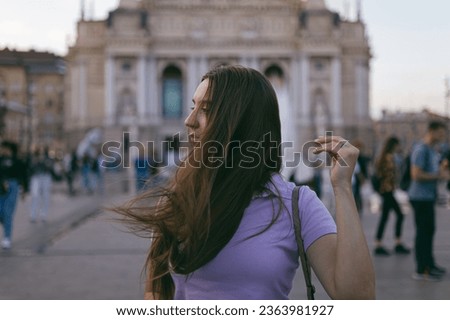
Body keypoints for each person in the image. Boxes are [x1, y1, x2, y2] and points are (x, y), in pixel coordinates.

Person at [114, 65, 375, 299]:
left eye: (206, 110)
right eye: (192, 107)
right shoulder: (176, 200)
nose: (189, 120)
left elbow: (356, 298)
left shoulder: (298, 204)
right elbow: (156, 293)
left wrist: (342, 187)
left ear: (244, 122)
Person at [408, 121, 449, 281]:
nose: (443, 136)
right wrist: (438, 175)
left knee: (429, 231)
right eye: (440, 132)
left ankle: (429, 264)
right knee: (423, 233)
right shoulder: (421, 149)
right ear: (432, 131)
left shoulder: (432, 150)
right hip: (419, 197)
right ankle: (421, 268)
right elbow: (416, 174)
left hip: (428, 196)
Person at [373, 136, 410, 256]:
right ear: (394, 145)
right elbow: (389, 174)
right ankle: (394, 243)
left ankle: (381, 243)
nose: (399, 147)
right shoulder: (388, 158)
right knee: (398, 215)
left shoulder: (383, 157)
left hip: (385, 191)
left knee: (386, 217)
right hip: (387, 191)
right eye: (398, 145)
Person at [0, 141, 26, 249]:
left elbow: (22, 174)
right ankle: (6, 223)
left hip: (13, 186)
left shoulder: (17, 161)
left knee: (8, 212)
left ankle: (7, 238)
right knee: (1, 211)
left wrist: (23, 189)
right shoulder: (1, 160)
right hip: (1, 186)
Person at [29, 147, 53, 223]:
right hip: (36, 177)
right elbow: (30, 168)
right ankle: (33, 215)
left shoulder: (48, 159)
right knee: (35, 196)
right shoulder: (33, 159)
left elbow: (50, 167)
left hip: (45, 177)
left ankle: (43, 215)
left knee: (45, 196)